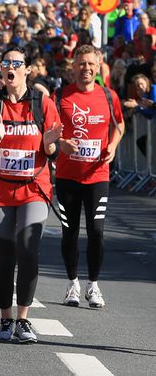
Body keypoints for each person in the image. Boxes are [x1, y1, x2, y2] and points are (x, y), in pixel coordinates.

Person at [0, 45, 62, 344]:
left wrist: (48, 144)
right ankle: (5, 319)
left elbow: (53, 149)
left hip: (34, 187)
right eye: (5, 62)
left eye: (16, 63)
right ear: (1, 69)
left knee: (27, 248)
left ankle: (23, 320)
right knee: (5, 256)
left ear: (27, 69)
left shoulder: (42, 104)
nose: (11, 67)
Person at [53, 45, 124, 309]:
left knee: (96, 231)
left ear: (98, 66)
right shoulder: (61, 95)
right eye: (81, 64)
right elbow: (47, 130)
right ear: (73, 67)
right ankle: (73, 284)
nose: (86, 69)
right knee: (69, 232)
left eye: (91, 64)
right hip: (67, 177)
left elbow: (120, 125)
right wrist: (61, 142)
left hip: (98, 176)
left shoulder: (108, 95)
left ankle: (93, 285)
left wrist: (113, 146)